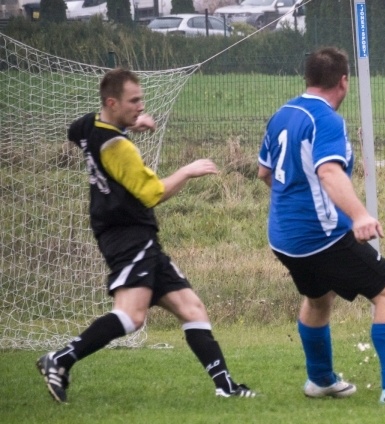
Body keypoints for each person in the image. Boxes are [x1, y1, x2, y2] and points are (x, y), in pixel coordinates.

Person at [36, 68, 254, 403]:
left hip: (135, 236)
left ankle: (225, 386)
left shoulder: (91, 127)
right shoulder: (118, 147)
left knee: (192, 308)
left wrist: (128, 123)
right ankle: (61, 359)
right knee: (132, 316)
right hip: (128, 237)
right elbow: (152, 193)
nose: (141, 106)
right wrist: (187, 171)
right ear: (112, 102)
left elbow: (75, 129)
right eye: (133, 101)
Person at [256, 47, 385, 405]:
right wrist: (360, 215)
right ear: (344, 81)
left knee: (319, 297)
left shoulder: (282, 114)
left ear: (307, 79)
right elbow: (329, 172)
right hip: (321, 237)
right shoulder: (327, 120)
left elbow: (264, 173)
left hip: (283, 237)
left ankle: (320, 380)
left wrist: (295, 202)